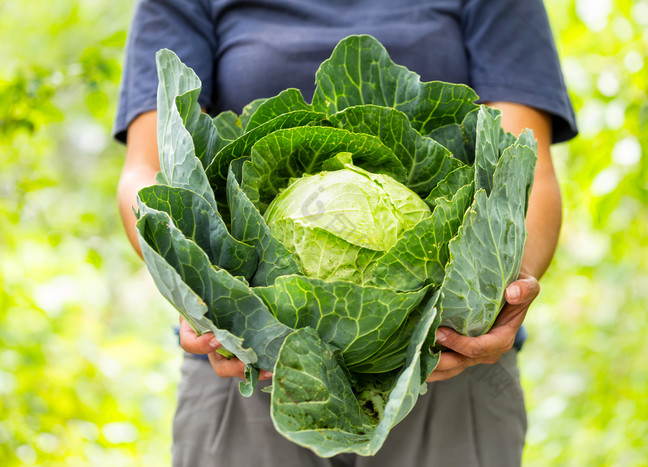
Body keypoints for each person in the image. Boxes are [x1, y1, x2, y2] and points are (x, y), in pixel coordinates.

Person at [115, 0, 577, 465]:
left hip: (448, 362)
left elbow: (523, 172)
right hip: (244, 371)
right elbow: (147, 170)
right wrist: (194, 290)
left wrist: (505, 289)